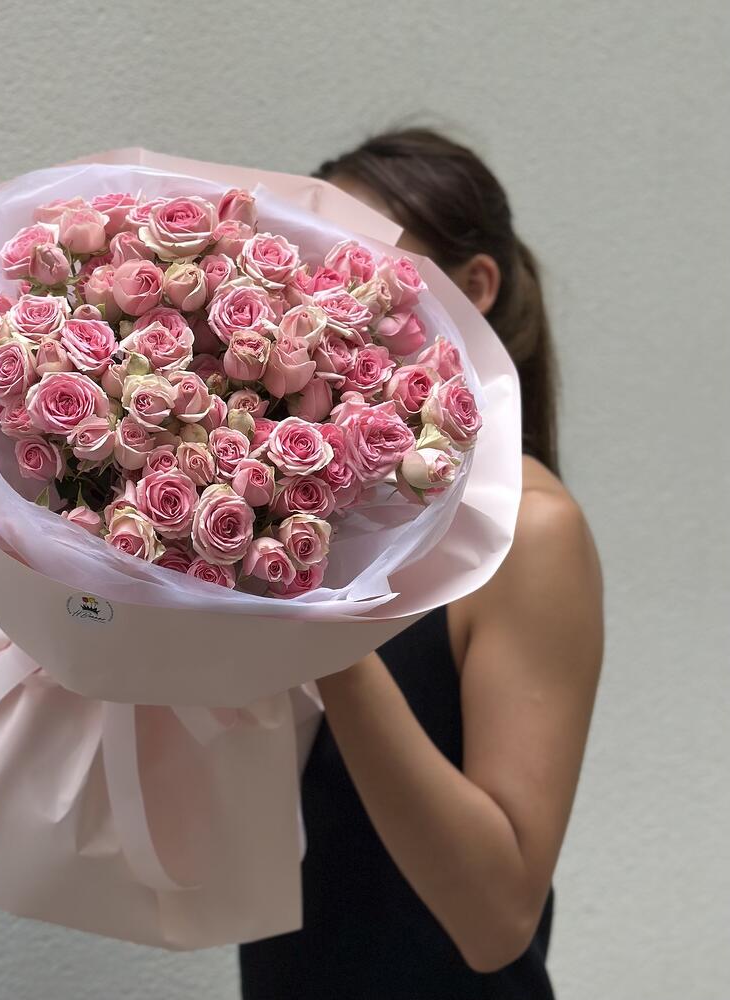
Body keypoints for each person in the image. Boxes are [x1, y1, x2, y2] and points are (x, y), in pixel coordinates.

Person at [238, 127, 604, 999]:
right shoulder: (303, 510)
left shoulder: (532, 533)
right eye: (313, 266)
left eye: (362, 266)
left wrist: (327, 625)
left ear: (475, 287)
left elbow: (496, 923)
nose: (326, 299)